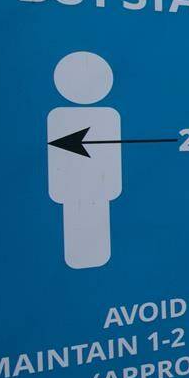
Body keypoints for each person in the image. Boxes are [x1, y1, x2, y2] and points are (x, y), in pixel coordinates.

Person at [48, 51, 121, 268]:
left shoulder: (107, 116)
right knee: (80, 234)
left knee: (93, 234)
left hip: (97, 191)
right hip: (75, 191)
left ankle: (90, 259)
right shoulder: (60, 117)